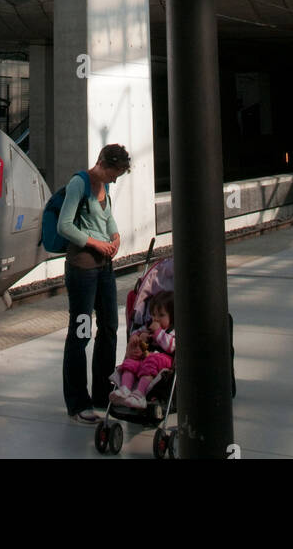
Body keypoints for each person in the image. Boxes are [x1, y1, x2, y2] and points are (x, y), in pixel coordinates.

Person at [58, 143, 131, 424]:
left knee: (110, 327)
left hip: (104, 269)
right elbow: (64, 225)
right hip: (83, 271)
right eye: (115, 173)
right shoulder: (80, 184)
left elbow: (107, 216)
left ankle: (103, 392)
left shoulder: (105, 186)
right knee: (81, 332)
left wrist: (114, 237)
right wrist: (95, 243)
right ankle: (78, 402)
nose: (116, 179)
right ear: (104, 163)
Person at [109, 292, 175, 409]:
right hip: (146, 357)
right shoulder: (149, 325)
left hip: (164, 359)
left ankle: (140, 394)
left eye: (161, 315)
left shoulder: (172, 330)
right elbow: (137, 331)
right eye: (154, 315)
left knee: (151, 360)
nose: (156, 319)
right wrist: (138, 337)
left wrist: (158, 332)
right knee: (131, 362)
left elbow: (171, 346)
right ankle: (125, 389)